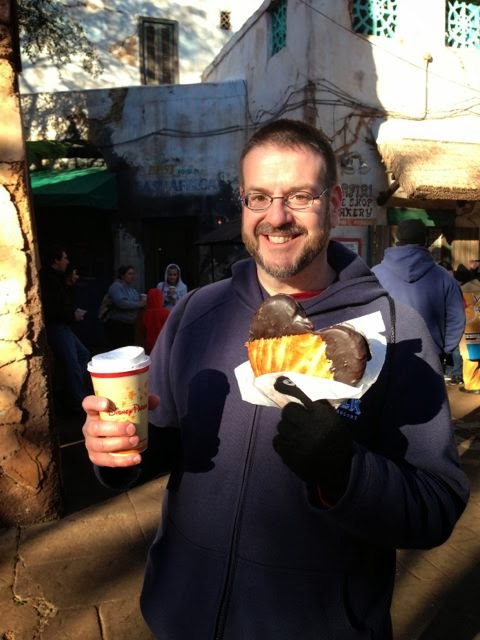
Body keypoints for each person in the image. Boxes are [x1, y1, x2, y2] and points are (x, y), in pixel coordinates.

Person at [82, 119, 469, 640]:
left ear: (334, 203)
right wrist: (119, 448)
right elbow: (165, 441)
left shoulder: (399, 333)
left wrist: (347, 472)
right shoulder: (196, 313)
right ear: (243, 204)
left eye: (300, 196)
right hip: (181, 615)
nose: (277, 217)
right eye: (259, 197)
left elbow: (436, 506)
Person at [372, 218, 465, 364]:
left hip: (386, 357)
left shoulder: (375, 275)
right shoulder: (444, 277)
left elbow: (364, 314)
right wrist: (444, 350)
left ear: (397, 239)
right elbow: (456, 318)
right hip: (430, 358)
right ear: (425, 240)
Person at [39, 244, 90, 415]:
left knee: (82, 356)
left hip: (64, 326)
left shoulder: (58, 279)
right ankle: (77, 401)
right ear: (56, 260)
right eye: (64, 258)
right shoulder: (48, 280)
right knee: (72, 364)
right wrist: (72, 315)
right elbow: (52, 308)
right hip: (57, 327)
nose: (67, 261)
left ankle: (72, 392)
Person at [105, 265, 146, 349]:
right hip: (118, 325)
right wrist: (139, 304)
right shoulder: (116, 287)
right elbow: (121, 303)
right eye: (129, 274)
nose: (133, 276)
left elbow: (138, 301)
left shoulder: (132, 289)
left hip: (129, 324)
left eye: (133, 274)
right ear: (122, 275)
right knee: (118, 350)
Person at [141, 288, 170, 355]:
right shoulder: (166, 313)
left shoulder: (145, 314)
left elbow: (143, 331)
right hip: (163, 343)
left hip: (149, 344)